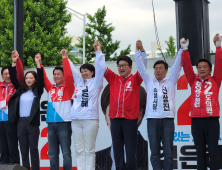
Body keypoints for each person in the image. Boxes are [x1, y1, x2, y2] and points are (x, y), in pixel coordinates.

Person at [135, 39, 185, 170]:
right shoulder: (149, 81)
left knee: (168, 152)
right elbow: (140, 67)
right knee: (154, 152)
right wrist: (138, 51)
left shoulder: (171, 80)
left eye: (160, 68)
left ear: (166, 71)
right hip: (152, 120)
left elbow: (177, 65)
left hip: (167, 120)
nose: (157, 71)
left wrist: (182, 49)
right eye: (155, 68)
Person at [102, 43, 147, 170]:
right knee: (117, 150)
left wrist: (141, 51)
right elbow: (101, 67)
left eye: (124, 66)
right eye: (119, 66)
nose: (121, 68)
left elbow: (143, 66)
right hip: (115, 120)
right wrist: (98, 52)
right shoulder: (113, 78)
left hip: (129, 120)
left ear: (130, 67)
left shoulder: (136, 79)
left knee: (130, 149)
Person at [181, 34, 222, 170]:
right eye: (199, 67)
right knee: (200, 152)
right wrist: (185, 50)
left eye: (205, 66)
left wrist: (218, 47)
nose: (202, 69)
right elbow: (187, 67)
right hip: (196, 121)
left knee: (213, 151)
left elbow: (220, 64)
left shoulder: (215, 80)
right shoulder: (193, 81)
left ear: (210, 69)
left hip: (212, 120)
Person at [66, 41, 105, 170]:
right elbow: (72, 71)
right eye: (82, 71)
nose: (83, 73)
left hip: (90, 120)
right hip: (76, 120)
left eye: (86, 71)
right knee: (79, 150)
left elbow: (100, 67)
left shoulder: (97, 82)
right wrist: (66, 58)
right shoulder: (78, 83)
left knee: (89, 150)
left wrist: (98, 51)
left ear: (92, 72)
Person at [96, 84, 148, 170]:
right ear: (105, 116)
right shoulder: (96, 158)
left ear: (139, 114)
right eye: (114, 110)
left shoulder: (149, 152)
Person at [8, 53, 44, 170]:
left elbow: (41, 78)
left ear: (35, 80)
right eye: (27, 78)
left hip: (32, 123)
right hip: (21, 123)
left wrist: (38, 63)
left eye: (31, 78)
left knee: (33, 150)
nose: (28, 80)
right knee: (23, 151)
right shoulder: (20, 90)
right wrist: (14, 62)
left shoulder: (37, 91)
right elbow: (13, 77)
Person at [42, 50, 74, 170]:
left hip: (64, 124)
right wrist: (39, 64)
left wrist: (64, 58)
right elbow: (44, 78)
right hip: (51, 124)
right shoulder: (50, 88)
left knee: (66, 153)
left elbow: (70, 75)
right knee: (52, 154)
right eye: (54, 74)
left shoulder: (69, 87)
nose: (56, 76)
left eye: (59, 74)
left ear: (64, 75)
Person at [0, 51, 23, 164]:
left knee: (12, 145)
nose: (8, 76)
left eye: (9, 73)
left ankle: (15, 166)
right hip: (0, 121)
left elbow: (17, 75)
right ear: (2, 76)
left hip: (11, 119)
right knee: (2, 147)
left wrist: (15, 61)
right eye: (5, 74)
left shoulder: (17, 86)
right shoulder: (0, 87)